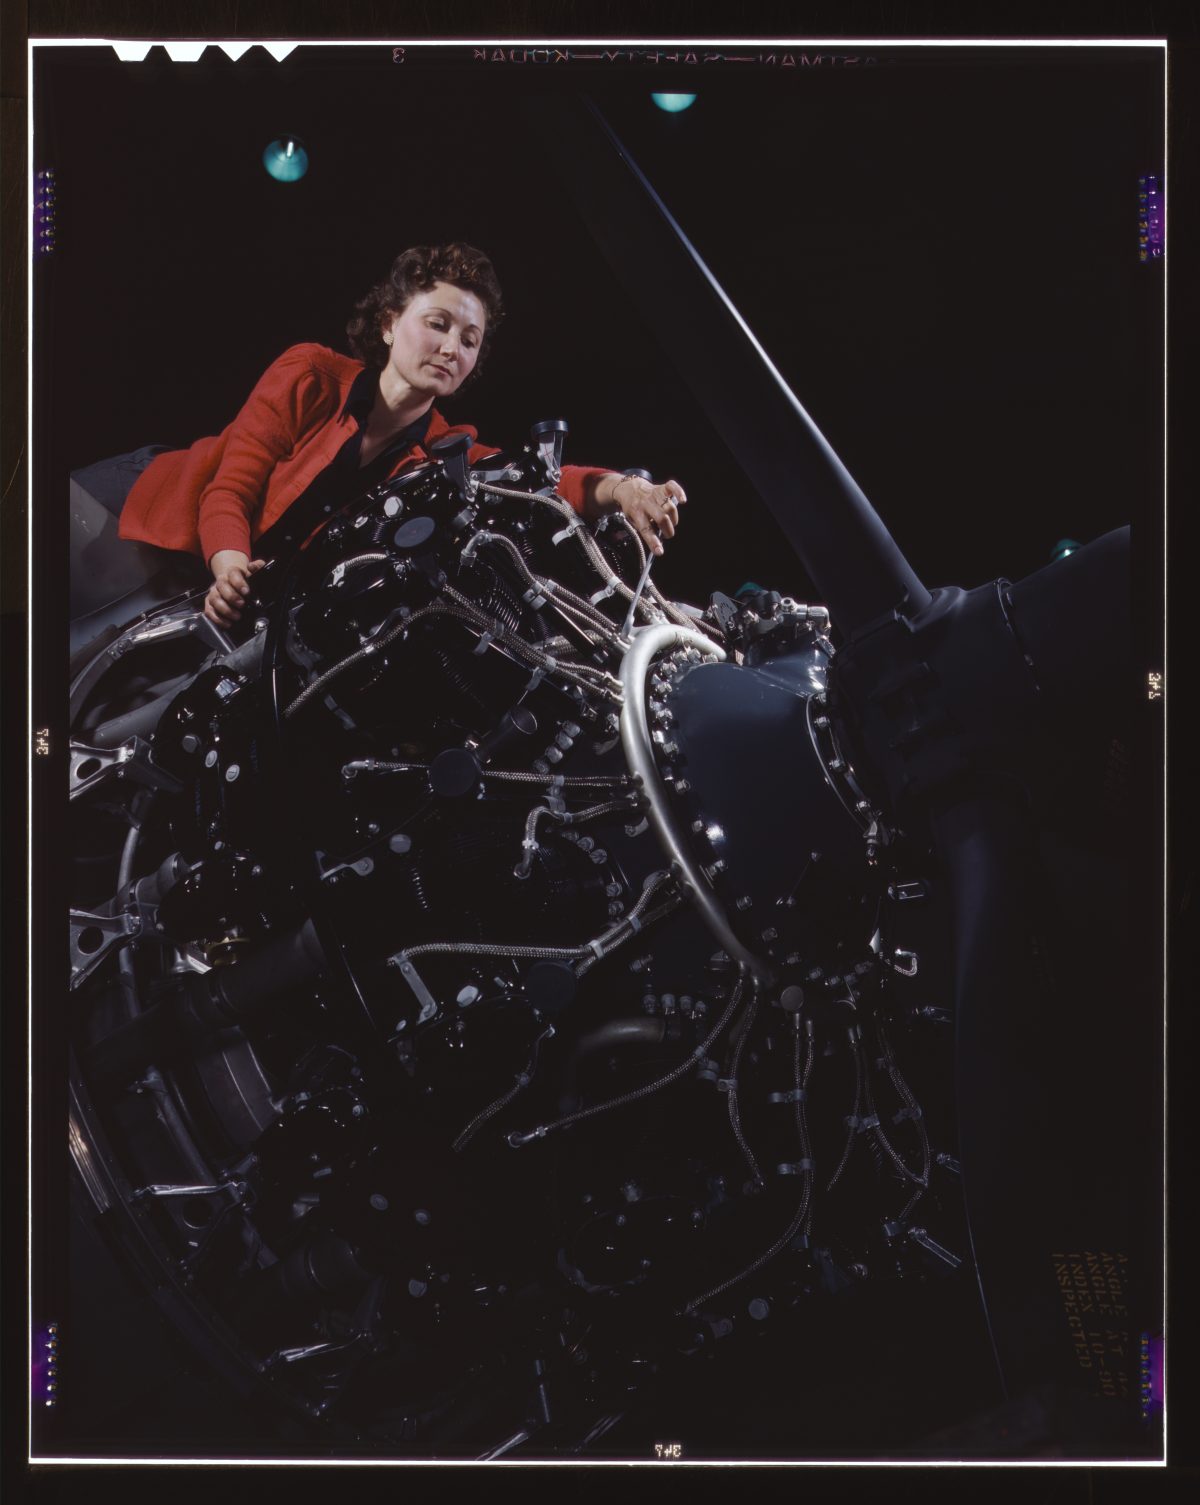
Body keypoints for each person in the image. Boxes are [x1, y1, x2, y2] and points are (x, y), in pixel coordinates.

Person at [117, 244, 688, 627]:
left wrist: (622, 489)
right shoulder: (310, 374)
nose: (450, 348)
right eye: (437, 324)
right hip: (157, 521)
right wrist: (229, 565)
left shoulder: (444, 451)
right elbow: (229, 487)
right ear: (390, 323)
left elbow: (535, 477)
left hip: (236, 592)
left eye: (469, 340)